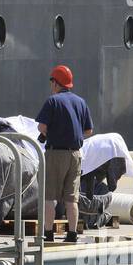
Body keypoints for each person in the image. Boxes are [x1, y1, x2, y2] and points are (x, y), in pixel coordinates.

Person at [36, 64, 93, 244]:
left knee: (49, 196)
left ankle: (48, 233)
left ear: (55, 83)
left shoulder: (52, 101)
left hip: (55, 154)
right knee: (71, 198)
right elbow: (88, 130)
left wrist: (52, 134)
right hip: (75, 155)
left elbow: (41, 127)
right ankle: (72, 234)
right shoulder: (81, 102)